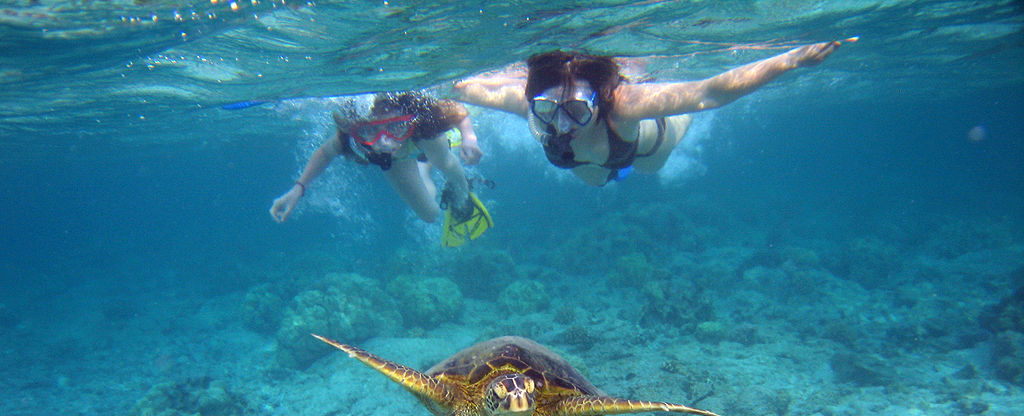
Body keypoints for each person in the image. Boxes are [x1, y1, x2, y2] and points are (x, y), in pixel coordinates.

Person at [453, 40, 850, 187]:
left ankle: (676, 134)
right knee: (592, 180)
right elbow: (465, 87)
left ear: (597, 102)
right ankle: (605, 174)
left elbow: (708, 93)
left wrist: (790, 61)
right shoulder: (528, 105)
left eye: (576, 111)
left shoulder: (623, 104)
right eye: (546, 109)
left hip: (646, 149)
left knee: (651, 166)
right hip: (593, 165)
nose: (559, 124)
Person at [270, 91, 493, 245]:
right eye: (370, 132)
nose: (384, 142)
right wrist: (298, 189)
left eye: (395, 126)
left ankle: (462, 193)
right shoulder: (351, 138)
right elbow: (326, 152)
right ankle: (424, 166)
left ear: (408, 121)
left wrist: (469, 138)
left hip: (420, 141)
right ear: (358, 130)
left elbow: (457, 110)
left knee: (446, 162)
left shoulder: (424, 122)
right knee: (430, 214)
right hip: (396, 161)